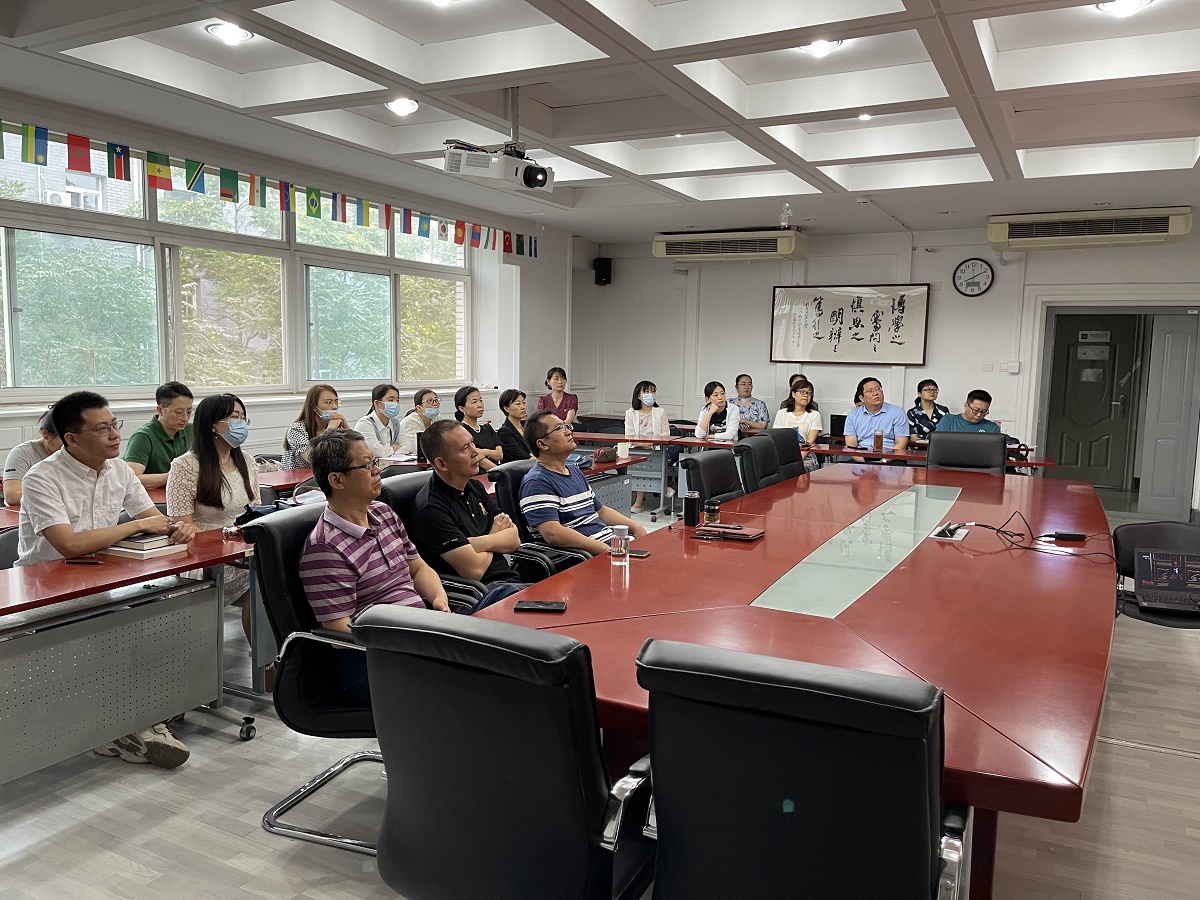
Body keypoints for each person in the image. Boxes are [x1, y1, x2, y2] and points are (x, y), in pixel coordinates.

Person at [17, 390, 197, 768]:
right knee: (125, 633)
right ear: (71, 438)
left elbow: (153, 519)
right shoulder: (42, 477)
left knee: (169, 614)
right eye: (101, 429)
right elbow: (68, 545)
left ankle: (138, 724)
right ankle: (131, 728)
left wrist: (177, 527)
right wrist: (134, 526)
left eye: (114, 425)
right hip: (49, 591)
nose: (115, 435)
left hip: (103, 582)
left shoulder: (117, 469)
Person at [298, 429, 450, 705]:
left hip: (418, 634)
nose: (377, 470)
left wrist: (438, 599)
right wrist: (406, 639)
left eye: (375, 462)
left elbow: (418, 569)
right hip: (372, 659)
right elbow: (337, 629)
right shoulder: (325, 546)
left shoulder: (383, 512)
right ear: (337, 480)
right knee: (467, 684)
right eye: (366, 465)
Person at [165, 393, 260, 639]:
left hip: (243, 551)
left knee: (276, 579)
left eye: (243, 418)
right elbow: (182, 525)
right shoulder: (185, 466)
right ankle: (266, 657)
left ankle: (270, 657)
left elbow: (257, 511)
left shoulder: (246, 461)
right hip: (204, 556)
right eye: (234, 418)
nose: (241, 424)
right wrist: (228, 544)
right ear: (212, 425)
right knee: (263, 583)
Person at [412, 419, 529, 604]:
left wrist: (476, 543)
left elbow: (514, 539)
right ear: (442, 464)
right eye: (465, 448)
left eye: (472, 443)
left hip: (511, 582)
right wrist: (494, 536)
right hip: (479, 595)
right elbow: (474, 571)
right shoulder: (431, 508)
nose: (476, 452)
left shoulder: (475, 487)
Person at [519, 410, 646, 555]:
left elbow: (601, 511)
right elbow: (553, 533)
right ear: (542, 444)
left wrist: (635, 527)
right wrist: (605, 550)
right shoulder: (537, 482)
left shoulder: (574, 471)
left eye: (566, 426)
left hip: (608, 547)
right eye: (559, 428)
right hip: (584, 557)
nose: (568, 432)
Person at [123, 381, 194, 489]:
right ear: (160, 410)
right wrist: (175, 475)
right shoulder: (143, 437)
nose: (185, 418)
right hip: (153, 496)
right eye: (179, 413)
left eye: (189, 412)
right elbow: (132, 478)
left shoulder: (192, 430)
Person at [625, 380, 671, 513]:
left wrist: (651, 444)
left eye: (653, 391)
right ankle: (663, 488)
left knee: (647, 461)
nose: (650, 394)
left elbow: (665, 434)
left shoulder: (660, 412)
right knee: (638, 460)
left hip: (656, 449)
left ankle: (640, 501)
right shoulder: (630, 413)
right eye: (646, 392)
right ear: (639, 395)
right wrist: (642, 444)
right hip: (637, 448)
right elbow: (629, 435)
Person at [3, 409, 62, 507]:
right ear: (45, 434)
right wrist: (55, 495)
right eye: (64, 439)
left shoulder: (78, 452)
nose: (71, 443)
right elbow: (12, 496)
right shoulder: (22, 453)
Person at [843, 377, 909, 463]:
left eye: (878, 389)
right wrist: (865, 463)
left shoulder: (897, 413)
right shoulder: (853, 415)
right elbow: (851, 445)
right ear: (862, 398)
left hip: (890, 457)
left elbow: (901, 444)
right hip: (862, 457)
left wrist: (883, 461)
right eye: (870, 391)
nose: (876, 393)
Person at [283, 383, 348, 469]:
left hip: (323, 475)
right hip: (295, 476)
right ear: (314, 406)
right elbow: (312, 459)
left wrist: (346, 427)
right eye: (328, 402)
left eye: (336, 402)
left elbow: (354, 454)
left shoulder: (336, 427)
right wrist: (329, 430)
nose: (334, 407)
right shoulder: (296, 429)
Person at [773, 378, 822, 471]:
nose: (806, 395)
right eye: (803, 392)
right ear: (793, 394)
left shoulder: (815, 415)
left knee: (802, 467)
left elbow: (810, 442)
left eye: (809, 393)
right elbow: (777, 439)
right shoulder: (782, 413)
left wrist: (797, 461)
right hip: (784, 453)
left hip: (807, 454)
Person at [454, 385, 503, 471]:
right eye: (474, 402)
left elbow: (499, 454)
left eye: (481, 400)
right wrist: (501, 472)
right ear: (461, 408)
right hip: (478, 474)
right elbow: (477, 458)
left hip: (496, 472)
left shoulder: (487, 428)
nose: (480, 405)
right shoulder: (461, 431)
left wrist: (485, 452)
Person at [354, 383, 403, 458]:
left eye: (397, 400)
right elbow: (378, 453)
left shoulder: (395, 422)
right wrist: (394, 448)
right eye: (391, 400)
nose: (395, 403)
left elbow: (408, 446)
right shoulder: (365, 424)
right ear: (377, 403)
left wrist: (389, 451)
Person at [396, 388, 441, 456]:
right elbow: (418, 448)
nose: (435, 404)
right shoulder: (411, 422)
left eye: (436, 400)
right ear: (419, 408)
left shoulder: (437, 418)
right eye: (430, 401)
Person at [935, 390, 1003, 434]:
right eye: (976, 410)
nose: (979, 415)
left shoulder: (992, 428)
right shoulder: (949, 421)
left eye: (984, 411)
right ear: (966, 406)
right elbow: (938, 444)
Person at [497, 388, 531, 462]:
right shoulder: (504, 432)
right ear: (506, 408)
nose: (523, 407)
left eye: (524, 402)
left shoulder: (527, 425)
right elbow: (524, 458)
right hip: (518, 468)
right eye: (518, 404)